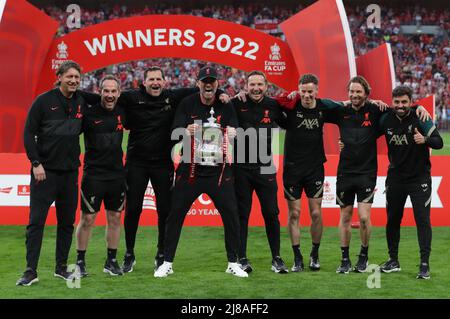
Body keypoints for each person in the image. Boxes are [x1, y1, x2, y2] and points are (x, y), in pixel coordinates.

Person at [327, 76, 430, 274]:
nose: (355, 95)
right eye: (352, 91)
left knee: (364, 218)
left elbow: (401, 108)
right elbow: (320, 107)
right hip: (344, 171)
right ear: (348, 93)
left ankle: (363, 256)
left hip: (367, 172)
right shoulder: (341, 111)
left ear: (366, 94)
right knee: (345, 216)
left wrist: (418, 107)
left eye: (359, 92)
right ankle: (345, 259)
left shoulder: (376, 111)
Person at [154, 66, 247, 278]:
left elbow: (239, 132)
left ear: (217, 83)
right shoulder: (188, 103)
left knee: (231, 216)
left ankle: (233, 262)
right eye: (204, 81)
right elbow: (174, 132)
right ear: (198, 83)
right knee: (175, 215)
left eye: (212, 81)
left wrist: (234, 133)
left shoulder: (225, 104)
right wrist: (185, 130)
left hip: (219, 172)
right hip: (191, 171)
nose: (208, 84)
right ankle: (167, 262)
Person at [17, 61, 87, 286]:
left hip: (69, 174)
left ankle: (60, 268)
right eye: (69, 77)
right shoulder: (43, 101)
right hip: (44, 173)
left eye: (77, 77)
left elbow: (108, 101)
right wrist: (36, 163)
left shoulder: (82, 101)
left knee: (66, 223)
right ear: (59, 77)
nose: (73, 81)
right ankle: (30, 271)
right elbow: (28, 133)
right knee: (36, 223)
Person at [275, 74, 345, 272]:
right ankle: (297, 257)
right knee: (294, 213)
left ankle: (315, 253)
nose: (306, 95)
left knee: (315, 213)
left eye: (310, 91)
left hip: (314, 169)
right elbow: (272, 102)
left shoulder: (323, 107)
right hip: (292, 169)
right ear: (299, 90)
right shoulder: (291, 107)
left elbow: (346, 107)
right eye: (303, 91)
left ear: (316, 91)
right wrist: (289, 96)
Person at [378, 86, 443, 279]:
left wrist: (425, 139)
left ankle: (424, 265)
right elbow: (368, 126)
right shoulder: (385, 118)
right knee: (392, 221)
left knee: (422, 221)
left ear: (410, 102)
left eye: (404, 102)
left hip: (419, 178)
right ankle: (393, 261)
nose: (400, 106)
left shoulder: (420, 117)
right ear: (392, 102)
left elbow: (439, 142)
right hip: (395, 178)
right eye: (396, 102)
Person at [232, 71, 288, 274]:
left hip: (265, 168)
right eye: (252, 84)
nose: (256, 88)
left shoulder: (273, 105)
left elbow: (289, 123)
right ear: (246, 86)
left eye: (260, 84)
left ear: (266, 86)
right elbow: (215, 107)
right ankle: (242, 258)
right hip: (240, 168)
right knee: (242, 215)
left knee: (271, 213)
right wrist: (223, 94)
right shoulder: (235, 103)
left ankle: (277, 258)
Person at [75, 75, 126, 277]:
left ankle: (111, 261)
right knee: (87, 219)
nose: (110, 95)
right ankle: (80, 262)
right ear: (100, 92)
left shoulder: (124, 111)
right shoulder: (88, 113)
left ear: (119, 93)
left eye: (114, 91)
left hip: (117, 175)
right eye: (106, 91)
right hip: (93, 175)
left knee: (114, 218)